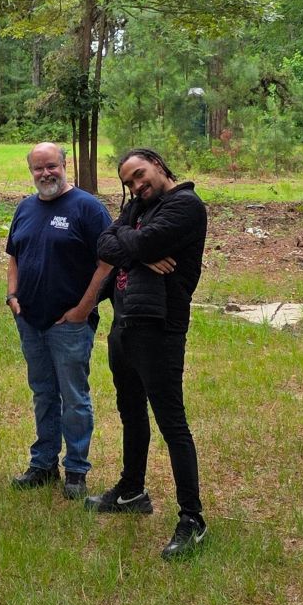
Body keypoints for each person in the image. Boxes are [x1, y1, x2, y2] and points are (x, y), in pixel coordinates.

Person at [87, 148, 208, 561]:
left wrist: (135, 245)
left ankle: (192, 518)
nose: (136, 186)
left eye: (140, 175)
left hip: (160, 328)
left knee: (172, 423)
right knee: (131, 412)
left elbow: (142, 240)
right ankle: (132, 491)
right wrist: (138, 250)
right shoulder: (139, 206)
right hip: (125, 323)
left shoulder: (185, 205)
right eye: (129, 183)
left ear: (158, 164)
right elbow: (104, 243)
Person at [6, 142, 113, 500]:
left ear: (65, 165)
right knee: (43, 393)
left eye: (51, 165)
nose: (45, 173)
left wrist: (83, 309)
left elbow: (107, 263)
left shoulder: (87, 208)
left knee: (74, 397)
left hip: (69, 324)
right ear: (31, 171)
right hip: (30, 320)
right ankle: (43, 464)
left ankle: (77, 470)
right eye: (38, 168)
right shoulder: (25, 207)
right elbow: (14, 255)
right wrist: (12, 296)